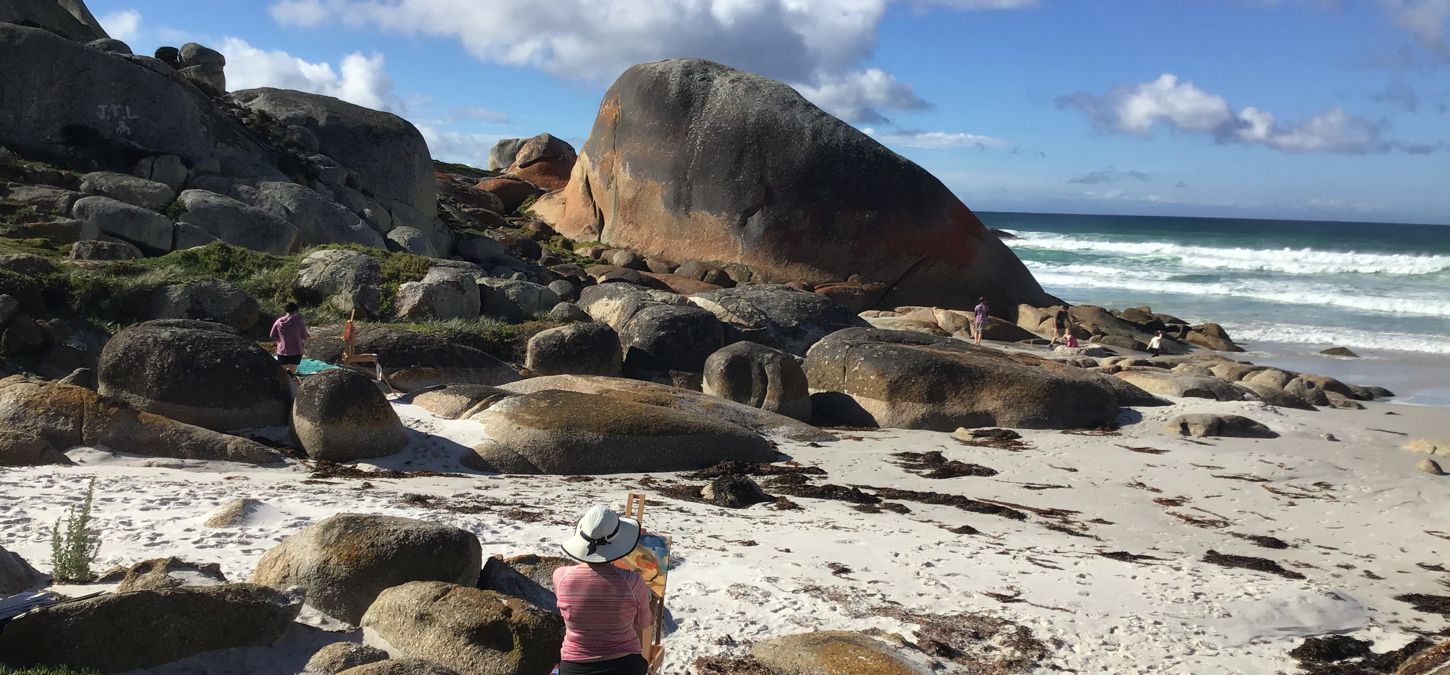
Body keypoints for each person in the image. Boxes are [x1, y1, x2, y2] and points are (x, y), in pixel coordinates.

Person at [554, 504, 653, 675]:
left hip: (574, 668)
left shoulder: (561, 577)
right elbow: (643, 623)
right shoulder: (632, 581)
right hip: (625, 667)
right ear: (618, 541)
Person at [269, 302, 309, 378]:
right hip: (296, 351)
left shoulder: (279, 321)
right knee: (291, 375)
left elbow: (272, 335)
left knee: (283, 375)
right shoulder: (299, 322)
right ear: (295, 311)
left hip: (282, 351)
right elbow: (305, 336)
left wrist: (280, 339)